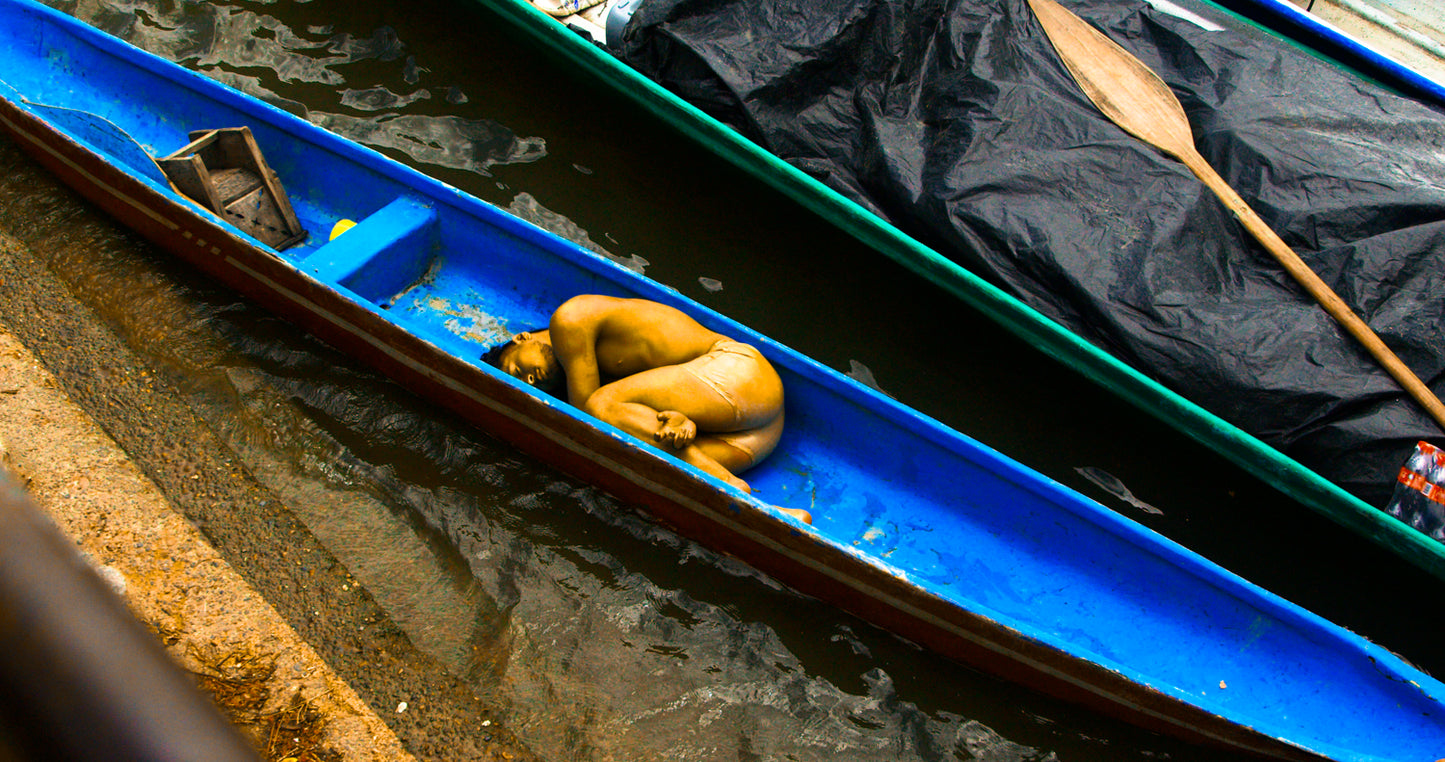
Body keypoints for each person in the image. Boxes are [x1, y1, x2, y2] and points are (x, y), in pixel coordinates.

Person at [487, 295, 809, 523]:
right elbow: (660, 401)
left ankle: (735, 492)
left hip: (740, 374)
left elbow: (588, 412)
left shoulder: (570, 318)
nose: (529, 381)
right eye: (530, 386)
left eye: (516, 370)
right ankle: (767, 511)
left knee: (601, 406)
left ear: (521, 338)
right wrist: (684, 416)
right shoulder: (603, 371)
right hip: (754, 435)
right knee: (655, 459)